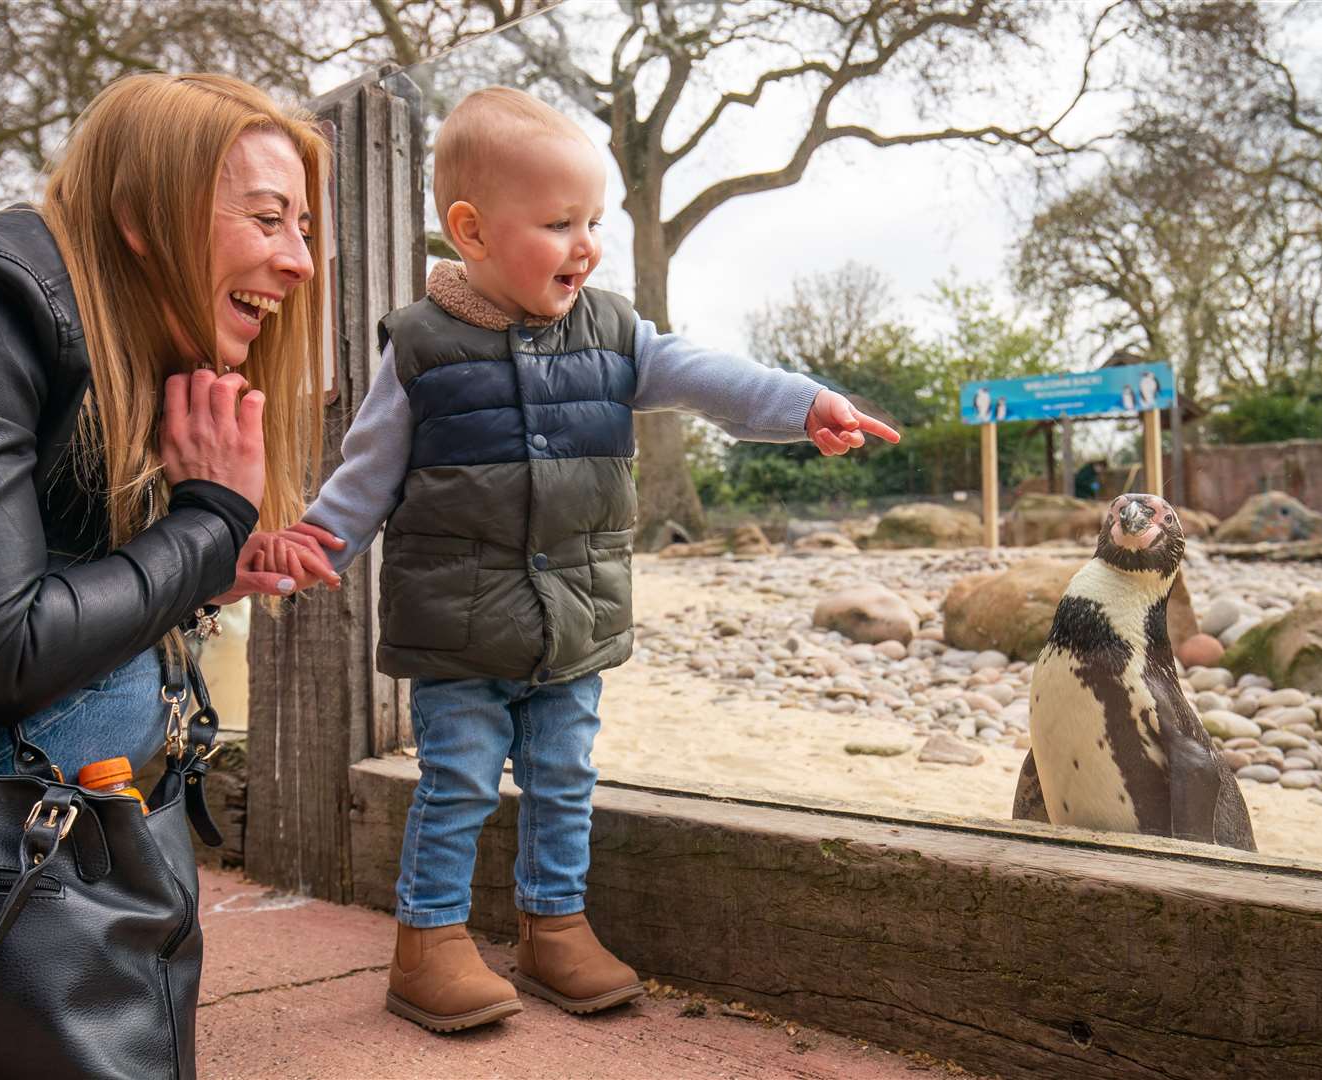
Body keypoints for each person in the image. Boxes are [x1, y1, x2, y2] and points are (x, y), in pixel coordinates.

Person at [251, 86, 899, 1034]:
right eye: (559, 223)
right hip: (459, 628)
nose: (587, 243)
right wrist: (314, 544)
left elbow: (711, 377)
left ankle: (556, 927)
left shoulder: (614, 334)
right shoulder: (423, 348)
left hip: (577, 620)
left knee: (565, 777)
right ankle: (428, 943)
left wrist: (805, 405)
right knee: (460, 780)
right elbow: (367, 472)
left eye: (593, 220)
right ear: (470, 232)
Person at [0, 72, 339, 782]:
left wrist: (204, 575)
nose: (302, 263)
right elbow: (7, 656)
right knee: (124, 690)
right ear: (142, 217)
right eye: (268, 219)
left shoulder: (112, 350)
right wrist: (208, 521)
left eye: (303, 231)